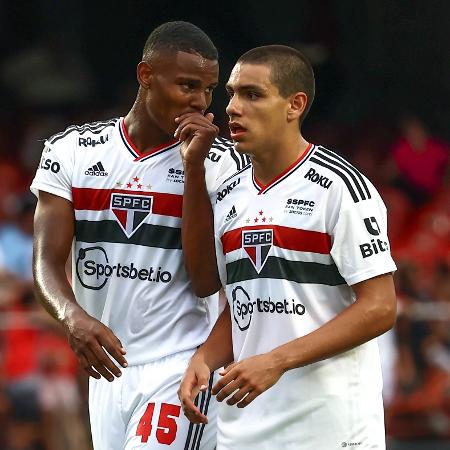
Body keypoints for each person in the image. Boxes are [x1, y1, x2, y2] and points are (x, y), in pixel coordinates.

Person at [31, 21, 248, 450]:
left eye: (208, 90)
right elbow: (46, 262)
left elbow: (207, 282)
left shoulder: (222, 163)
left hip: (179, 365)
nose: (199, 102)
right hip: (108, 372)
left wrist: (193, 168)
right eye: (187, 85)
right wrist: (72, 316)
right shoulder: (71, 151)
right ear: (145, 76)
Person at [177, 45, 397, 449]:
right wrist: (205, 359)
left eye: (252, 94)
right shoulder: (228, 195)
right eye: (231, 94)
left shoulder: (340, 188)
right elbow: (244, 305)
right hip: (242, 428)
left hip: (328, 428)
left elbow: (380, 307)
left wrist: (277, 360)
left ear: (295, 105)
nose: (232, 108)